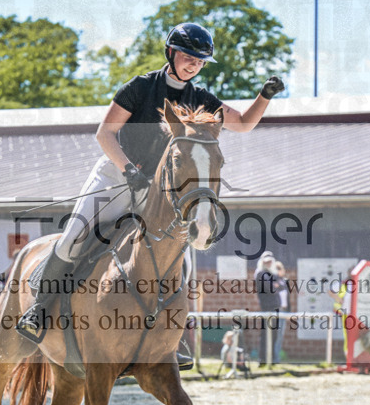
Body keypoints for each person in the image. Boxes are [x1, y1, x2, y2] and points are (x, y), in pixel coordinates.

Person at [16, 21, 285, 343]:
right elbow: (105, 133)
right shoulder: (141, 87)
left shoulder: (200, 99)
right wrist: (129, 170)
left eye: (200, 62)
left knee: (179, 257)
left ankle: (169, 335)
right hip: (117, 174)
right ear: (171, 53)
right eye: (188, 58)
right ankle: (39, 309)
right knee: (74, 236)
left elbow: (242, 124)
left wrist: (264, 96)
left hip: (156, 188)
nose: (194, 66)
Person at [254, 252, 281, 364]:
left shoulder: (272, 273)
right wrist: (276, 286)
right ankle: (262, 359)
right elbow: (271, 289)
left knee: (274, 335)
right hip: (267, 307)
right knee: (266, 334)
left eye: (270, 261)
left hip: (274, 307)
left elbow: (282, 285)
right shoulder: (261, 273)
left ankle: (271, 359)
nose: (268, 263)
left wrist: (277, 286)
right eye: (266, 261)